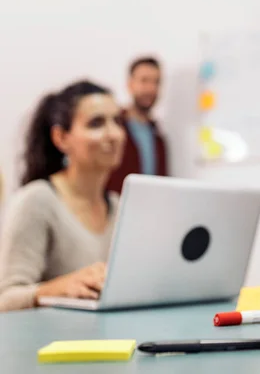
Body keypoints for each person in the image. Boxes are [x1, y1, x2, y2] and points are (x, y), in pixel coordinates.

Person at [0, 80, 126, 311]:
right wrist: (53, 289)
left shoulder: (120, 207)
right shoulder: (36, 201)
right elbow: (5, 300)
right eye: (96, 123)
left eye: (117, 121)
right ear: (61, 138)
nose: (114, 134)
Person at [106, 56, 168, 194]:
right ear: (130, 84)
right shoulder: (113, 129)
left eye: (156, 82)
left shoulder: (159, 137)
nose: (151, 88)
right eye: (144, 81)